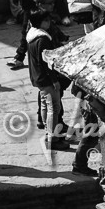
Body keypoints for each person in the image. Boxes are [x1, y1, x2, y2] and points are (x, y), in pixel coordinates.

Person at [25, 12, 69, 149]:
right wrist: (54, 80)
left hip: (38, 78)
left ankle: (48, 133)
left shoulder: (32, 36)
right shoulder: (43, 39)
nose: (49, 22)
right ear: (41, 22)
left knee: (45, 106)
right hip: (46, 79)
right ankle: (52, 139)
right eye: (46, 20)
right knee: (54, 108)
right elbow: (46, 63)